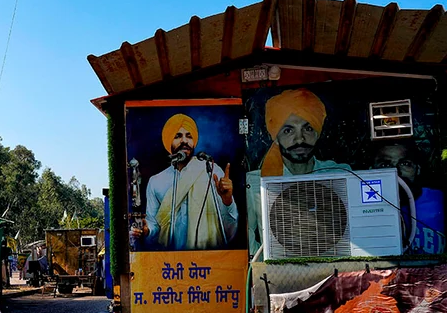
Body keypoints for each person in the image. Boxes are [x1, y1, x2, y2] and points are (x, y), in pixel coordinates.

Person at [246, 88, 352, 255]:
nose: (300, 139)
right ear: (276, 136)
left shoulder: (340, 173)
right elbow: (246, 237)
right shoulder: (254, 182)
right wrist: (264, 267)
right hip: (276, 277)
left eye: (308, 128)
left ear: (318, 132)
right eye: (288, 130)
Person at [130, 114, 238, 250]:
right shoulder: (156, 181)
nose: (184, 141)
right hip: (172, 263)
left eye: (189, 136)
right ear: (168, 141)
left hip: (208, 258)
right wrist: (147, 230)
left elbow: (230, 229)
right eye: (178, 136)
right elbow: (155, 227)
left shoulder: (211, 171)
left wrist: (227, 201)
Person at [372, 141, 445, 254]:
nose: (396, 171)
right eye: (385, 165)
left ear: (418, 169)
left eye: (405, 164)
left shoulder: (439, 200)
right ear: (372, 170)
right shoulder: (361, 207)